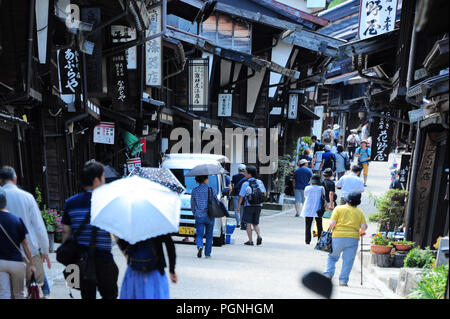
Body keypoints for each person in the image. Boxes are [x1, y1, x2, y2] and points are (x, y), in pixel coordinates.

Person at [61, 160, 119, 299]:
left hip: (81, 259)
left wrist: (68, 255)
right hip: (104, 259)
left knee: (86, 295)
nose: (104, 180)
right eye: (103, 177)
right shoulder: (108, 202)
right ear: (96, 180)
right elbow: (117, 233)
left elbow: (65, 232)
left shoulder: (71, 202)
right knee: (110, 295)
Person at [0, 166, 50, 293]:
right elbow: (39, 225)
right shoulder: (27, 197)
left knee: (9, 292)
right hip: (30, 252)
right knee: (34, 289)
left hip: (5, 253)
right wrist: (45, 250)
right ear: (15, 179)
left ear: (0, 181)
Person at [323, 192, 368, 286]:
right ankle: (343, 281)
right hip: (353, 238)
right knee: (348, 260)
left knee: (332, 257)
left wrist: (332, 229)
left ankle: (328, 275)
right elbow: (363, 227)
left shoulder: (338, 208)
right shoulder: (359, 212)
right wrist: (361, 232)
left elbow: (332, 224)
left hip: (337, 237)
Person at [0, 188, 36, 299]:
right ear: (5, 202)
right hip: (16, 262)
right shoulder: (16, 220)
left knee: (3, 294)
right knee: (19, 294)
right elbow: (25, 245)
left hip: (0, 262)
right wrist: (31, 263)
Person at [116, 235, 177, 299]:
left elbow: (122, 243)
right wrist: (172, 270)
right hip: (155, 271)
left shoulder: (131, 226)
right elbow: (170, 245)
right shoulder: (159, 226)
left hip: (134, 271)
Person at [237, 165, 266, 246]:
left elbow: (241, 196)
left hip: (249, 205)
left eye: (246, 173)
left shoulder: (246, 183)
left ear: (249, 174)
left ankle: (250, 241)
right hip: (258, 205)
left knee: (248, 223)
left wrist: (238, 206)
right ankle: (259, 235)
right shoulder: (259, 182)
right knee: (256, 223)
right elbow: (264, 193)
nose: (245, 174)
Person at [191, 175, 215, 258]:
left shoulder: (195, 190)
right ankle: (207, 254)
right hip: (210, 215)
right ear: (205, 179)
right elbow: (215, 201)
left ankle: (200, 246)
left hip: (199, 215)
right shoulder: (211, 190)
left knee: (199, 235)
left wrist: (194, 212)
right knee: (209, 236)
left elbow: (192, 203)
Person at [301, 175, 325, 245]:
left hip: (308, 208)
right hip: (318, 209)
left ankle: (307, 240)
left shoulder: (307, 188)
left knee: (308, 225)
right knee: (319, 225)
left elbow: (305, 196)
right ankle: (319, 240)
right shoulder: (321, 188)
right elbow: (323, 197)